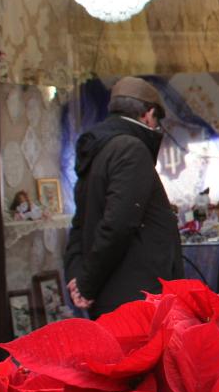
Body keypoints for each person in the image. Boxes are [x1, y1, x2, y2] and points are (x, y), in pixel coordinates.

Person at [64, 76, 183, 318]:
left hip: (110, 292)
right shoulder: (131, 149)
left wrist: (78, 278)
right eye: (156, 121)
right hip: (133, 296)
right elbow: (118, 225)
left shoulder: (99, 149)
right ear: (148, 114)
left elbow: (80, 223)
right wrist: (86, 284)